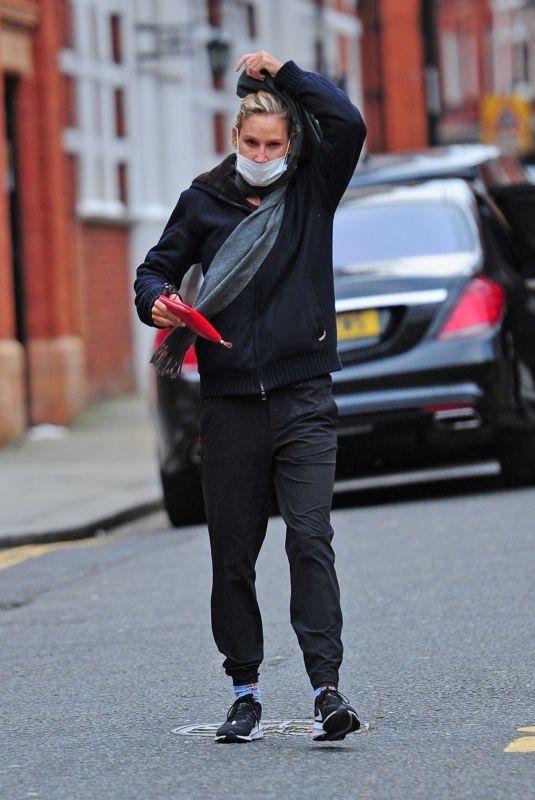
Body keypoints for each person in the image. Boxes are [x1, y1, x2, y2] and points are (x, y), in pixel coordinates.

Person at [134, 50, 367, 744]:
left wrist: (286, 73)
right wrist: (159, 304)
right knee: (232, 552)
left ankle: (326, 688)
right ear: (234, 138)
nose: (263, 153)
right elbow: (154, 270)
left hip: (302, 395)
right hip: (231, 403)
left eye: (274, 143)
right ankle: (245, 688)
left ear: (289, 142)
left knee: (308, 536)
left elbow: (346, 122)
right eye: (251, 142)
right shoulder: (201, 201)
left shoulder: (311, 189)